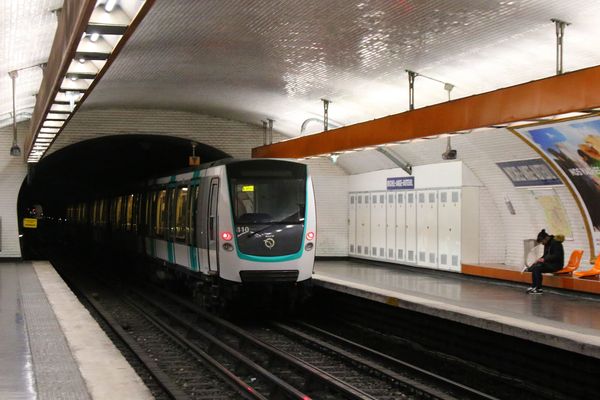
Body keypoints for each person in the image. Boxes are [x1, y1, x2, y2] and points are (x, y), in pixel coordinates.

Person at [524, 229, 564, 294]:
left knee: (537, 268)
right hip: (549, 263)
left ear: (546, 238)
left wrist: (544, 259)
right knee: (535, 266)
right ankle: (534, 286)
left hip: (556, 265)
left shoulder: (556, 243)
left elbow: (557, 256)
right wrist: (539, 260)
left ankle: (539, 289)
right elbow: (545, 255)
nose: (542, 244)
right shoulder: (547, 244)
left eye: (542, 242)